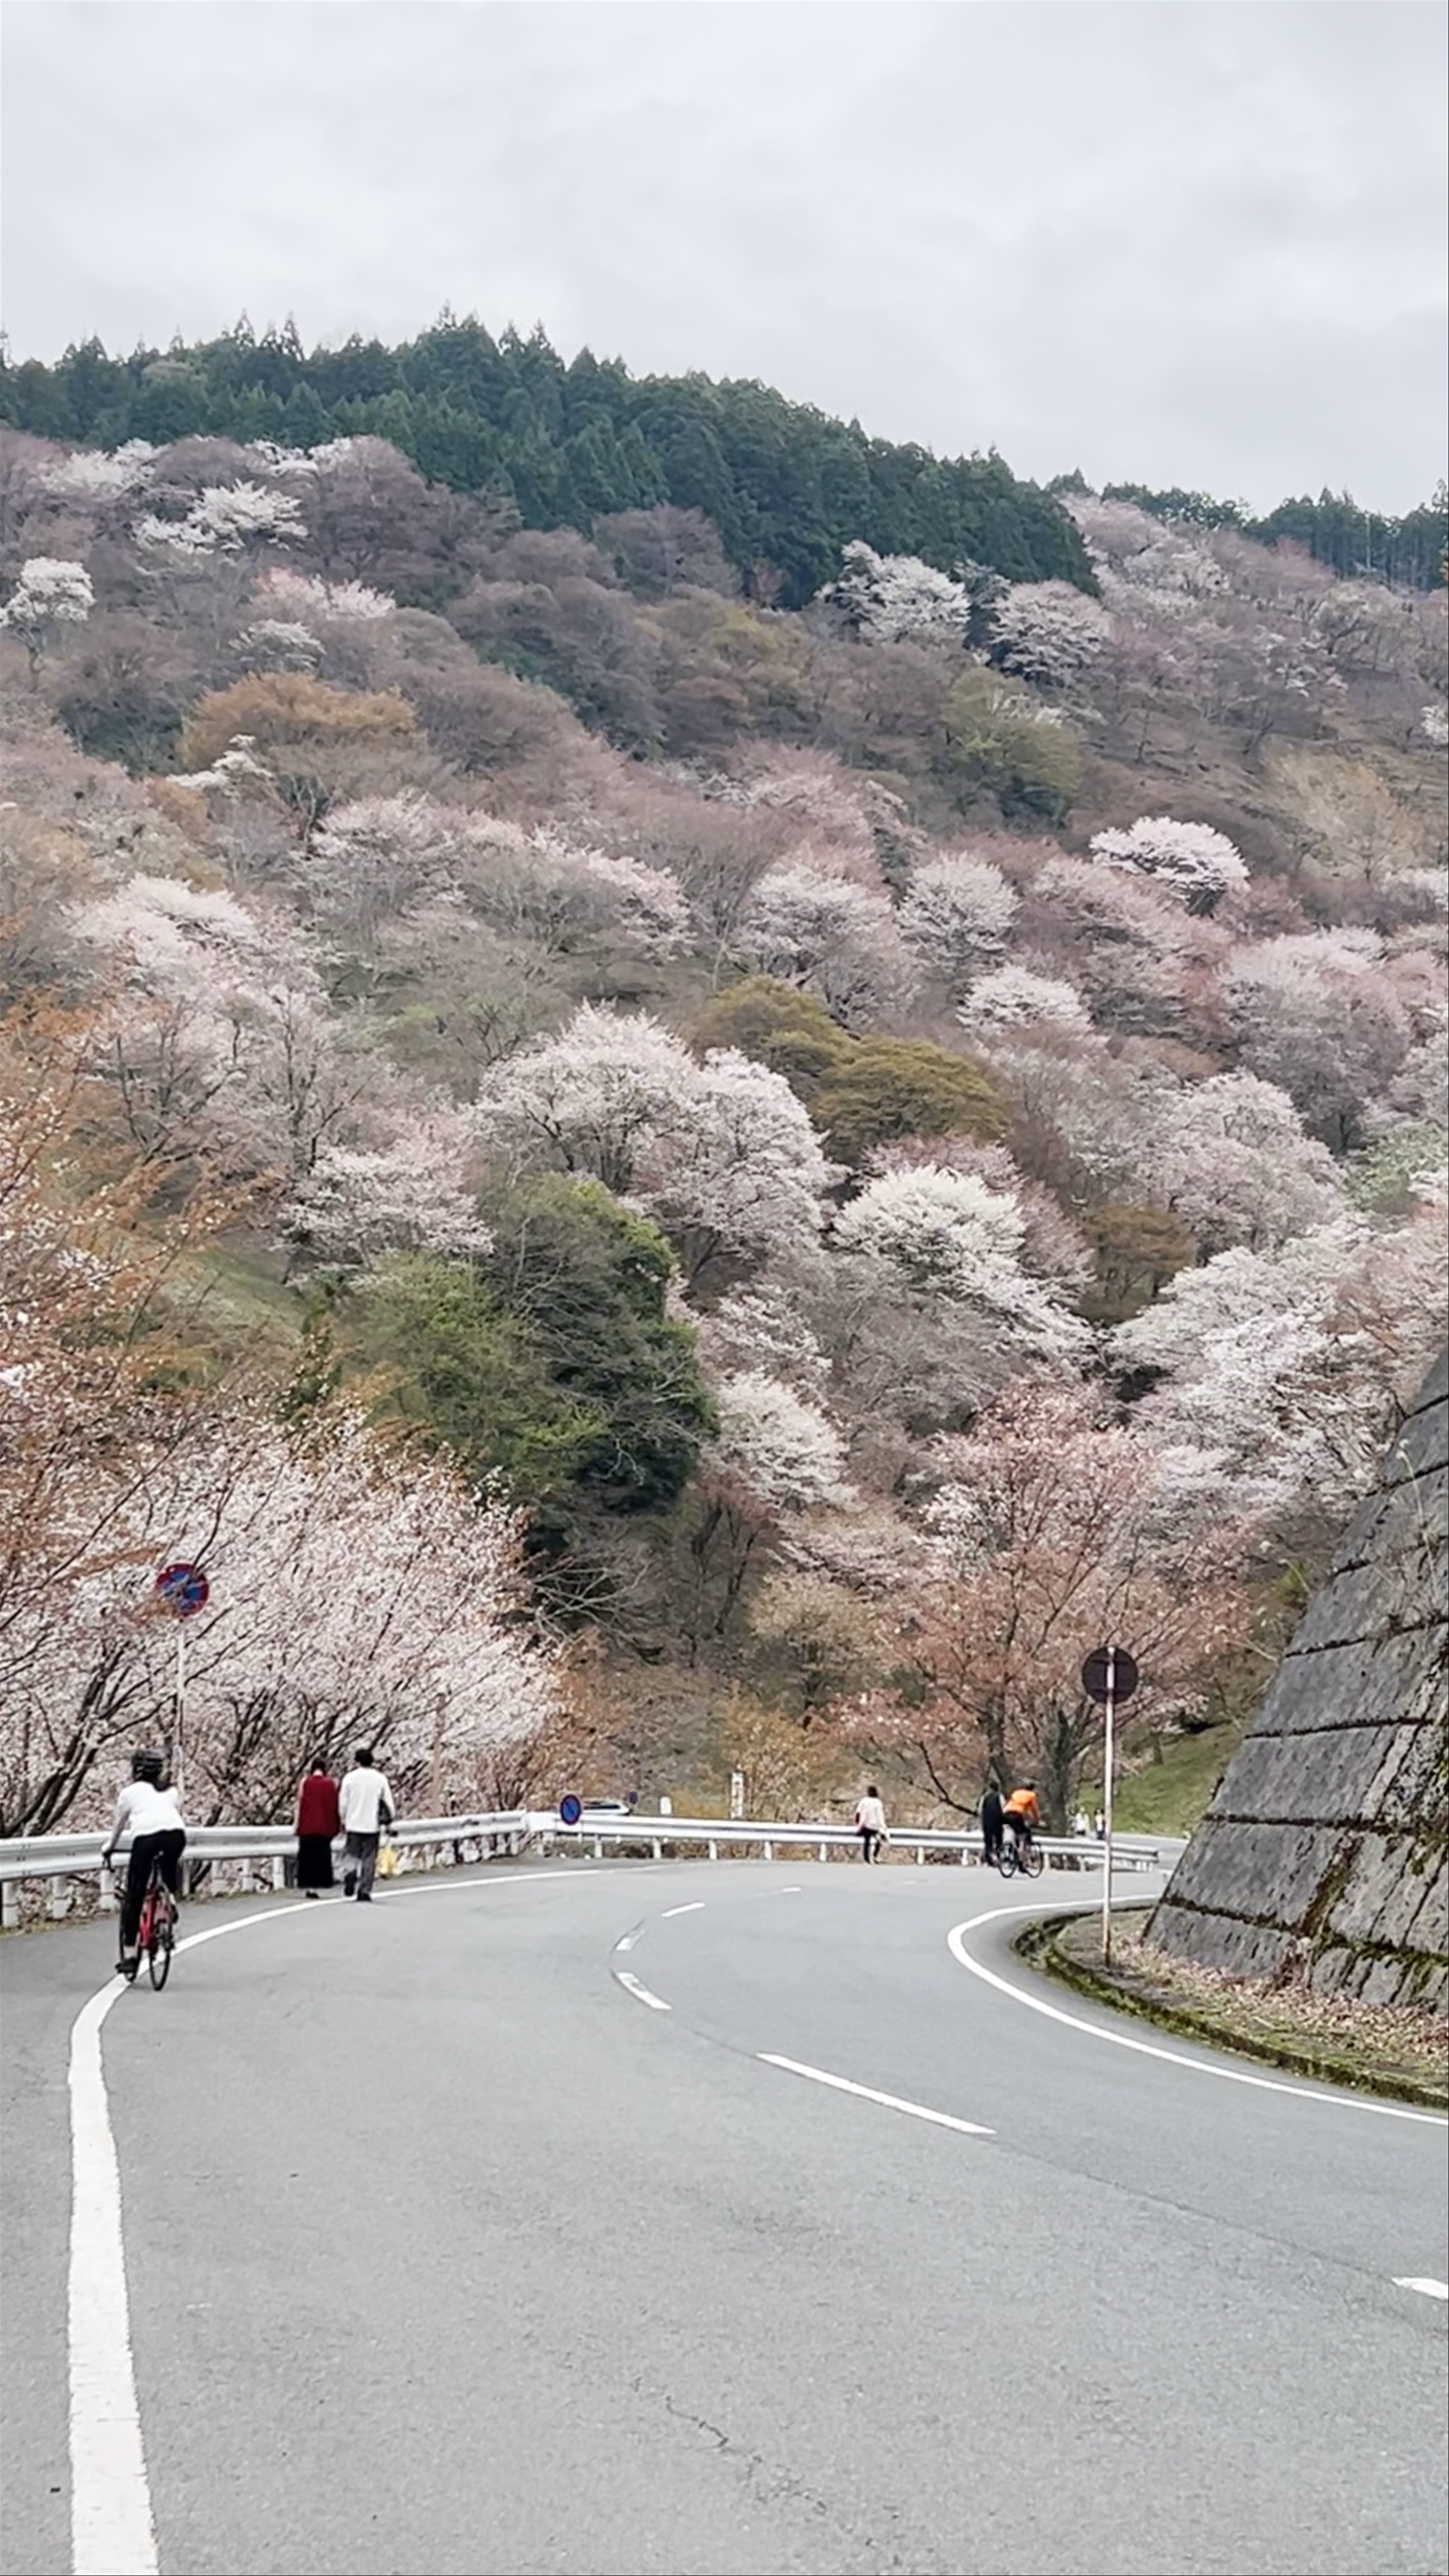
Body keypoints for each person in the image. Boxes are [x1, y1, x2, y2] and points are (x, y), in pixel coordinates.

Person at [100, 1751, 187, 1978]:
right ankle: (169, 1901)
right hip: (176, 1836)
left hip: (147, 1838)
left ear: (135, 1770)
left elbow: (120, 1826)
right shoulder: (172, 1791)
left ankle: (130, 1955)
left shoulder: (129, 1793)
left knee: (135, 1895)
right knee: (168, 1870)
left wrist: (110, 1847)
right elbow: (169, 1815)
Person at [338, 1747, 395, 1902]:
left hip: (353, 1823)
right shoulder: (380, 1779)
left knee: (352, 1854)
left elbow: (343, 1803)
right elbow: (388, 1803)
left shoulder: (350, 1778)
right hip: (372, 1825)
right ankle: (365, 1890)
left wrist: (343, 1820)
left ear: (357, 1762)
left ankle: (350, 1876)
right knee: (369, 1858)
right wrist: (389, 1820)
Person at [295, 1758, 341, 1897]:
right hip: (324, 1828)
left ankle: (309, 1886)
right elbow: (334, 1807)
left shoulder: (305, 1783)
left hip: (307, 1828)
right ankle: (321, 1883)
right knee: (322, 1857)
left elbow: (299, 1804)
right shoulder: (331, 1784)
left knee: (307, 1858)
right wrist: (336, 1827)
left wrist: (297, 1826)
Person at [1004, 1781, 1041, 1859]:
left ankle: (1010, 1847)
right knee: (1023, 1834)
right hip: (1017, 1815)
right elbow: (1035, 1810)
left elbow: (1014, 1805)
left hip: (1006, 1813)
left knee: (1015, 1829)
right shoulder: (1032, 1795)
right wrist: (1037, 1821)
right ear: (1033, 1789)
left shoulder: (1016, 1793)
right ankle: (1020, 1853)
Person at [854, 1784, 888, 1864]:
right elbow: (880, 1816)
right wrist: (883, 1826)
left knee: (867, 1842)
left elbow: (858, 1812)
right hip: (875, 1826)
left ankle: (866, 1859)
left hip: (866, 1825)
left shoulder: (864, 1801)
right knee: (879, 1841)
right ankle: (875, 1856)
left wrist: (858, 1823)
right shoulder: (878, 1802)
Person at [980, 1780, 1005, 1868]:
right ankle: (998, 1857)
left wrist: (982, 1820)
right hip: (998, 1821)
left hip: (987, 1821)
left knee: (988, 1841)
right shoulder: (1000, 1796)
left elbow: (981, 1810)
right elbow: (1004, 1809)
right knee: (999, 1840)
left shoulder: (985, 1797)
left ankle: (989, 1860)